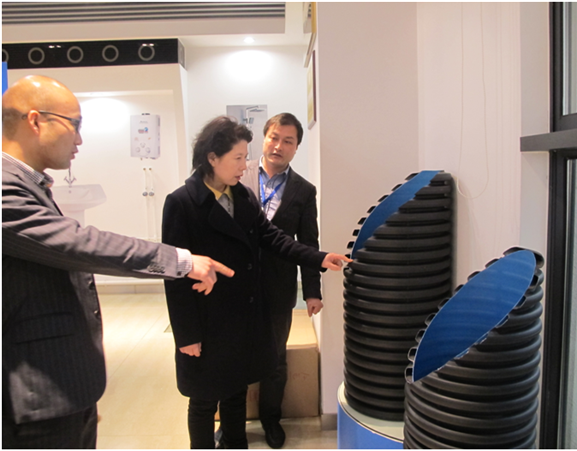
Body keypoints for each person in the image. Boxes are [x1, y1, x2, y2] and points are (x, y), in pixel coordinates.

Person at [2, 75, 234, 449]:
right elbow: (79, 244)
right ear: (35, 121)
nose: (79, 140)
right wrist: (181, 261)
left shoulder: (30, 183)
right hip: (35, 396)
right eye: (74, 125)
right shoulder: (4, 186)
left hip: (62, 386)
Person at [161, 115, 350, 449]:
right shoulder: (182, 203)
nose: (244, 165)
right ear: (212, 158)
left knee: (236, 391)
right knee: (204, 399)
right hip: (206, 318)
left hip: (242, 314)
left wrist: (319, 258)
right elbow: (174, 276)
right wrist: (186, 335)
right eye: (237, 158)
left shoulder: (242, 196)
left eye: (244, 156)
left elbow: (274, 238)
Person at [239, 112, 320, 448]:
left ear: (296, 147)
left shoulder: (304, 190)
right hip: (235, 285)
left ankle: (271, 419)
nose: (279, 146)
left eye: (288, 141)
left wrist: (312, 292)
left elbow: (308, 243)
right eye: (274, 137)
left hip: (279, 286)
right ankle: (232, 423)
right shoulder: (237, 175)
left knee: (275, 359)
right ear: (264, 138)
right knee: (233, 354)